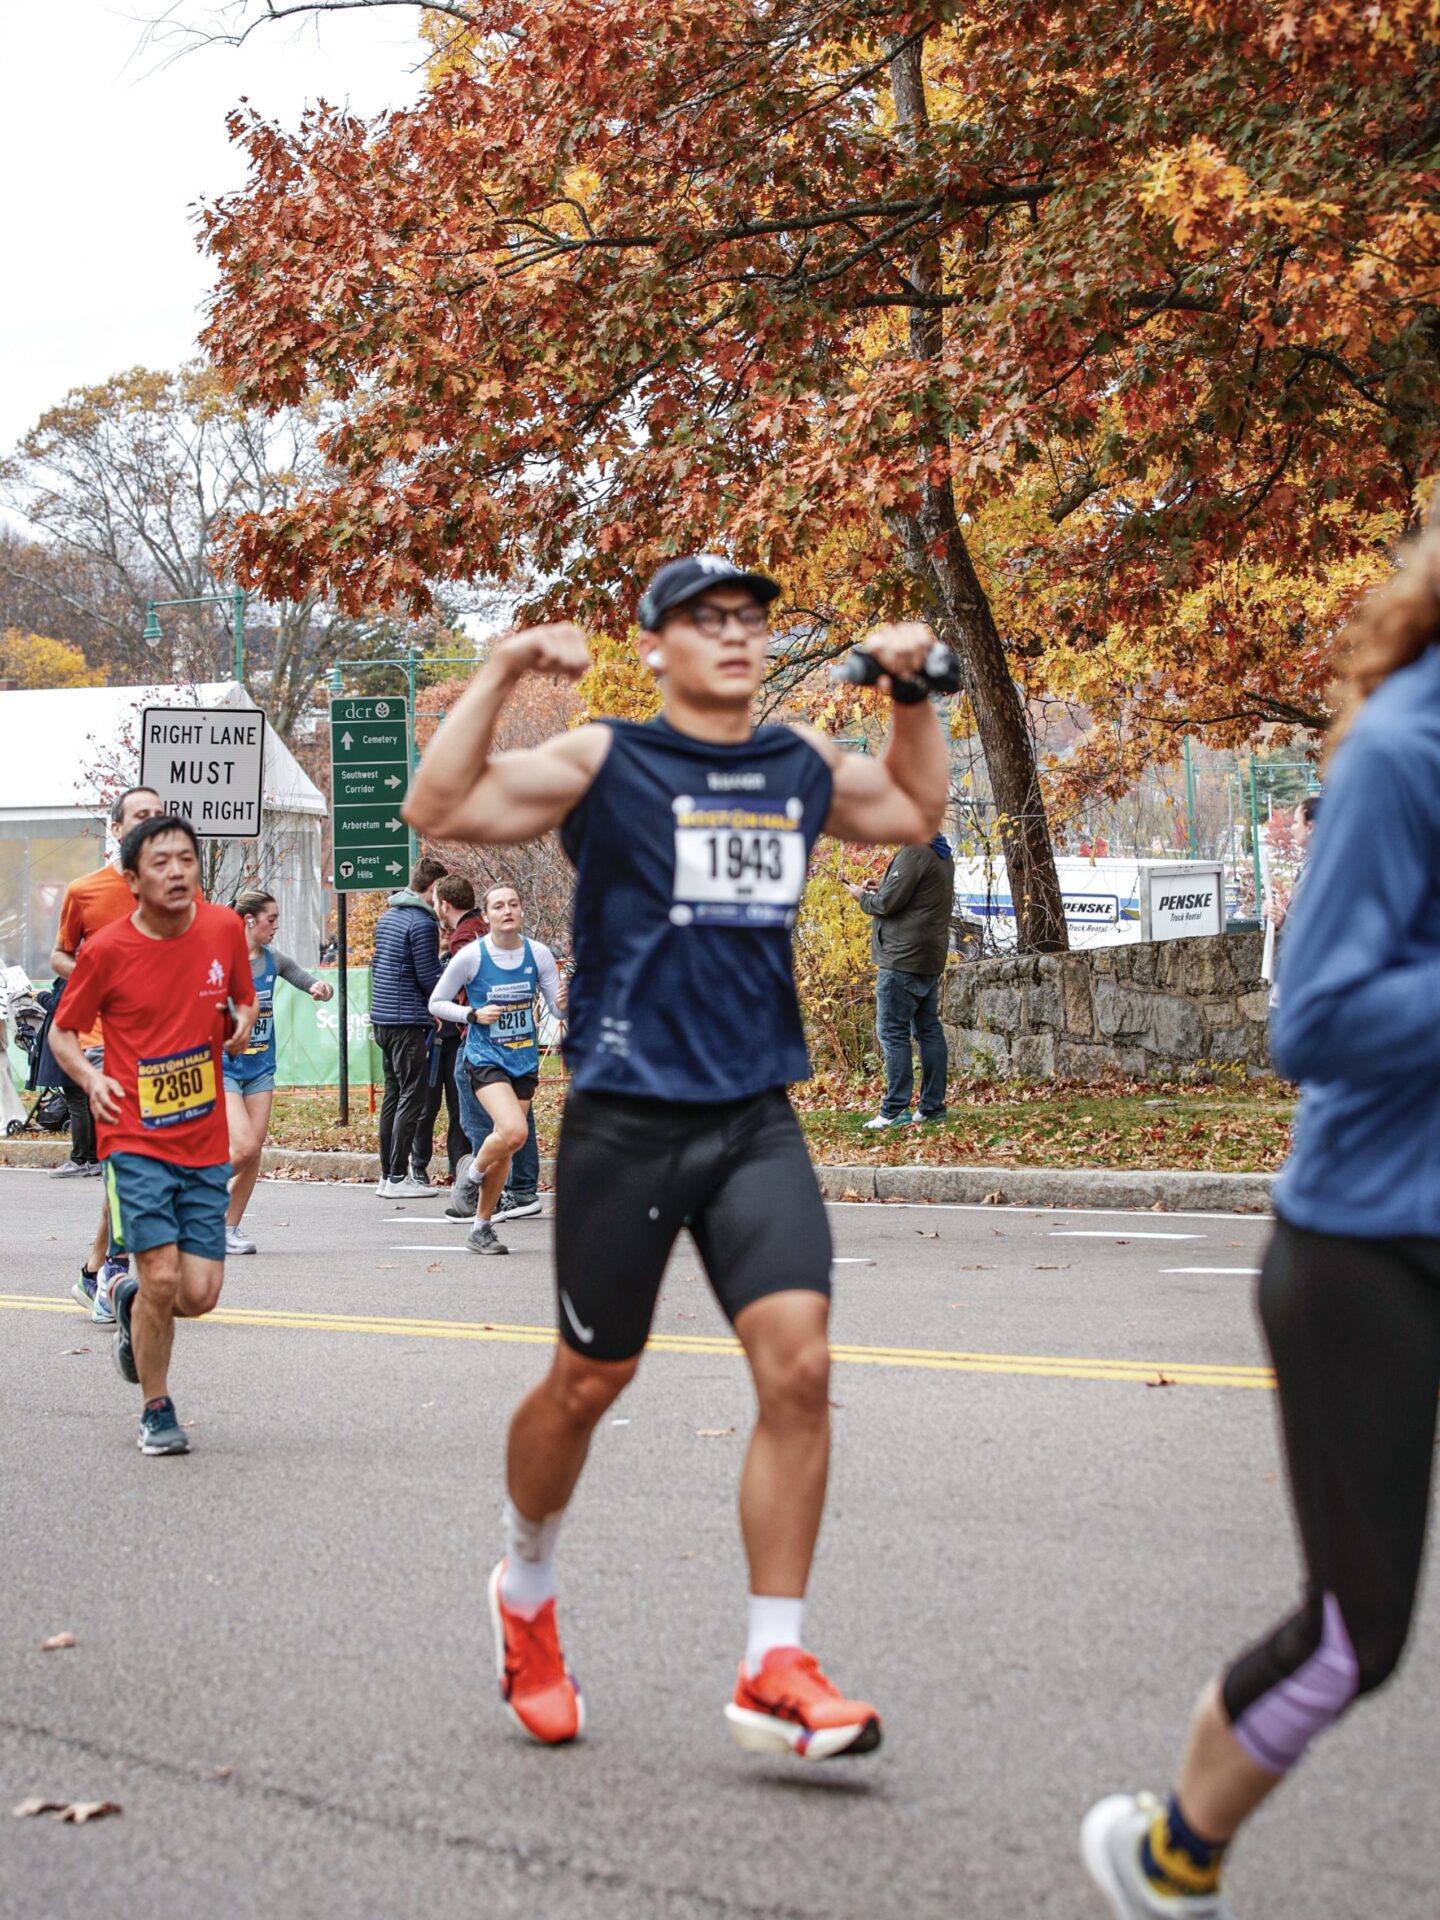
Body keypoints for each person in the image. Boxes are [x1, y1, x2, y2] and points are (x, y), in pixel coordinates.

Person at [404, 552, 948, 1755]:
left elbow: (911, 810)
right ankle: (527, 1588)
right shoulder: (609, 757)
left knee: (799, 1368)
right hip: (627, 1115)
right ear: (655, 647)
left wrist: (913, 694)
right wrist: (497, 670)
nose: (737, 636)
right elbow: (440, 807)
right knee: (591, 1382)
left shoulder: (796, 763)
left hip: (753, 1114)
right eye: (707, 620)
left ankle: (774, 1664)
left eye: (751, 618)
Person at [1081, 525, 1440, 1919]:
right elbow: (1319, 1019)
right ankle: (1172, 1854)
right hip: (1373, 1250)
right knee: (1357, 1637)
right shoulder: (1406, 748)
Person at [48, 813, 256, 1456]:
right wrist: (90, 1077)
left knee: (198, 1295)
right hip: (133, 1136)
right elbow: (62, 1030)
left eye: (186, 860)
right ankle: (156, 1408)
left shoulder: (223, 927)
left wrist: (242, 1023)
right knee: (163, 1274)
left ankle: (134, 1297)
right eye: (160, 862)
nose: (176, 871)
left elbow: (243, 1001)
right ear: (133, 879)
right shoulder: (107, 949)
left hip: (201, 1140)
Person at [50, 784, 165, 1321]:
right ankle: (114, 1270)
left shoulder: (178, 891)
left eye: (160, 817)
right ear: (117, 828)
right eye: (141, 816)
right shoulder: (85, 891)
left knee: (136, 1160)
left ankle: (95, 1268)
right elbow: (59, 956)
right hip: (99, 1042)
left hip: (162, 1047)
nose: (152, 823)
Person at [429, 882, 565, 1254]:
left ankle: (480, 1227)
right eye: (499, 906)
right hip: (485, 1059)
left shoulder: (537, 955)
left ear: (521, 912)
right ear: (486, 915)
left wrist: (568, 1000)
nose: (507, 910)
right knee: (513, 1130)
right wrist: (472, 1013)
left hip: (522, 1061)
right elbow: (436, 1003)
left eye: (514, 904)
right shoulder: (471, 957)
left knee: (508, 1145)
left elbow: (558, 1010)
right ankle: (469, 1177)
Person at [223, 887, 334, 1255]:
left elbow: (308, 981)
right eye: (271, 920)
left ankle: (227, 1228)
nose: (276, 927)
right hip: (223, 1067)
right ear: (250, 921)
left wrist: (321, 988)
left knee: (253, 1153)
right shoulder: (219, 961)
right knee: (243, 1146)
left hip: (260, 1069)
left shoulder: (273, 960)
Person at [847, 831, 955, 1127]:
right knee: (928, 1030)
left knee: (892, 1032)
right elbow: (913, 894)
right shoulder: (940, 853)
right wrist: (884, 886)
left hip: (902, 959)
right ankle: (932, 1108)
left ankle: (894, 1110)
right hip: (928, 958)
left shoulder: (914, 853)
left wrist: (862, 896)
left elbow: (885, 905)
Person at [369, 853, 448, 1199]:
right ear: (431, 889)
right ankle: (400, 1178)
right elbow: (429, 976)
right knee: (413, 1096)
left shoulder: (388, 917)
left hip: (383, 1019)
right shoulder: (422, 923)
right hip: (407, 1020)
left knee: (392, 1094)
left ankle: (387, 1174)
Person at [421, 872, 481, 1200]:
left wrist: (463, 1010)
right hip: (474, 1029)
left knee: (466, 1110)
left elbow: (466, 984)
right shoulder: (480, 925)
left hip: (472, 1030)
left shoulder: (464, 936)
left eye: (434, 902)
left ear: (444, 904)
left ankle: (470, 1178)